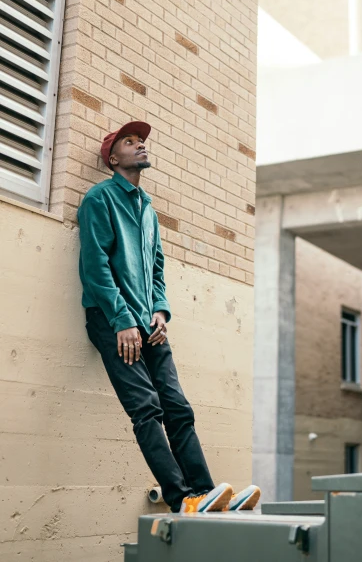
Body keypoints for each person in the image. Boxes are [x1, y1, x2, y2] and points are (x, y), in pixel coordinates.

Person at [78, 121, 260, 514]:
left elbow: (157, 268)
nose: (140, 144)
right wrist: (123, 319)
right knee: (147, 408)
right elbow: (95, 266)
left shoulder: (148, 211)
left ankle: (206, 495)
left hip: (149, 323)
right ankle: (182, 499)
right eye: (130, 141)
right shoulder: (99, 199)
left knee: (178, 408)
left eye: (141, 140)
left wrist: (160, 311)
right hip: (112, 322)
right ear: (113, 158)